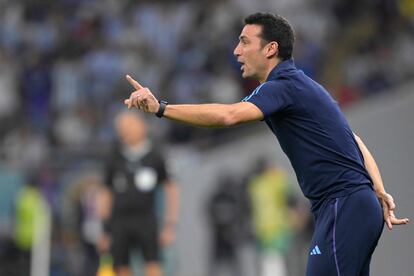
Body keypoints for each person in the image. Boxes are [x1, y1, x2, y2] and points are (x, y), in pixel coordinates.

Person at [123, 12, 409, 275]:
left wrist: (160, 108)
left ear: (270, 49)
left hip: (343, 205)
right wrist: (378, 190)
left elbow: (228, 115)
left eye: (245, 42)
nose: (236, 51)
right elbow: (355, 140)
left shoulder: (283, 86)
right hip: (352, 204)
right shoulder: (303, 86)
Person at [97, 110, 179, 276]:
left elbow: (171, 189)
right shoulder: (114, 157)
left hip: (146, 218)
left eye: (128, 126)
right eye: (121, 128)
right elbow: (106, 193)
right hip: (119, 220)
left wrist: (170, 225)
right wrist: (104, 228)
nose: (124, 131)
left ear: (142, 126)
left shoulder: (156, 155)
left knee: (153, 264)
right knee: (121, 266)